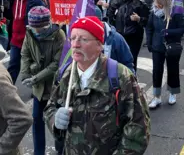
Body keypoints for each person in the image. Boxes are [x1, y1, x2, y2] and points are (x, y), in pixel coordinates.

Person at [44, 16, 151, 154]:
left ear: (99, 45)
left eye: (83, 39)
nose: (75, 44)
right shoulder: (64, 74)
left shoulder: (120, 77)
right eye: (73, 38)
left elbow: (138, 127)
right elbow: (50, 107)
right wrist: (55, 120)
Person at [20, 6, 65, 155]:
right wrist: (25, 75)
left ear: (47, 25)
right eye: (32, 27)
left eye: (37, 28)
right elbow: (25, 54)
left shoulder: (59, 36)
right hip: (38, 88)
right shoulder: (29, 33)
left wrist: (35, 78)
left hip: (55, 88)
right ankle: (38, 152)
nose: (35, 31)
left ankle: (61, 151)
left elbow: (56, 65)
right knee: (36, 121)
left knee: (58, 125)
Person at [3, 0, 47, 84]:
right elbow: (10, 17)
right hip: (15, 40)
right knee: (13, 66)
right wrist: (3, 10)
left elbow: (45, 17)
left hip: (30, 40)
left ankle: (37, 89)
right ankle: (7, 88)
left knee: (34, 66)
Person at [146, 0, 184, 108]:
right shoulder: (153, 12)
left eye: (160, 3)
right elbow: (149, 28)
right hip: (157, 46)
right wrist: (149, 42)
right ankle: (156, 97)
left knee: (173, 70)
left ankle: (172, 93)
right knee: (157, 71)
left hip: (171, 46)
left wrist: (169, 32)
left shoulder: (175, 13)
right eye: (156, 3)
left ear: (166, 1)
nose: (158, 5)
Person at [109, 0, 149, 72]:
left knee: (131, 60)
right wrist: (114, 18)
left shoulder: (140, 3)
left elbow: (147, 20)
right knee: (119, 61)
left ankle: (133, 82)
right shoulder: (115, 2)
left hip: (134, 37)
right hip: (119, 36)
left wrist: (139, 19)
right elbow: (109, 18)